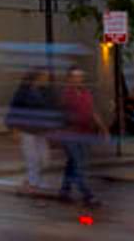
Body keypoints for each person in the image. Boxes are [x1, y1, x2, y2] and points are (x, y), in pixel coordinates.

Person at [5, 70, 57, 194]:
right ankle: (33, 183)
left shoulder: (44, 92)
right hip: (26, 129)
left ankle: (31, 180)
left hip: (40, 129)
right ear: (37, 77)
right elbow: (14, 108)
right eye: (45, 76)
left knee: (45, 158)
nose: (47, 79)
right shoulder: (23, 92)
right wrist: (13, 128)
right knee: (32, 157)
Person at [54, 68, 101, 207]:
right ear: (69, 79)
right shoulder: (65, 94)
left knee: (72, 163)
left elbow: (92, 111)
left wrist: (103, 127)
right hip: (69, 135)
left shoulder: (86, 93)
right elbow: (58, 113)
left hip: (84, 135)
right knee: (79, 164)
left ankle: (64, 190)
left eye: (80, 77)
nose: (78, 79)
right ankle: (87, 194)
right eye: (75, 77)